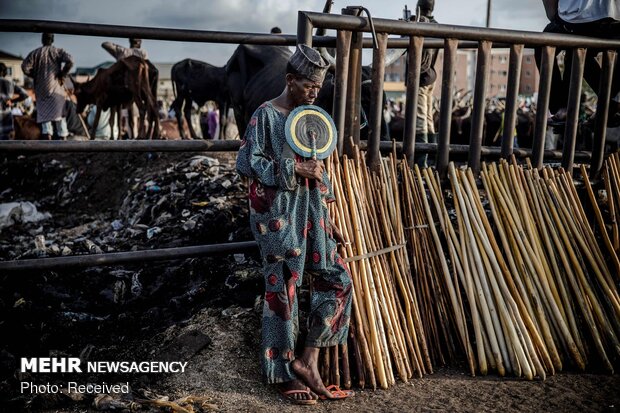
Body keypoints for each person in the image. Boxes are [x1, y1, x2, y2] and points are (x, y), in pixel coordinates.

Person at [236, 45, 353, 405]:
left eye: (318, 87)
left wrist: (330, 217)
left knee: (337, 279)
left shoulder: (311, 118)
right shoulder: (265, 115)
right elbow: (245, 162)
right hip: (278, 214)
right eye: (308, 85)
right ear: (290, 79)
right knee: (283, 286)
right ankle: (284, 374)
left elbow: (319, 169)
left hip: (313, 213)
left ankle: (308, 359)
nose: (314, 92)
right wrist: (291, 169)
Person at [539, 0, 619, 126]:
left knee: (542, 46)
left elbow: (550, 5)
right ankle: (611, 103)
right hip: (612, 18)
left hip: (577, 19)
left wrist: (556, 17)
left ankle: (562, 107)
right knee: (578, 55)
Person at [21, 33, 74, 140]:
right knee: (59, 116)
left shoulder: (35, 53)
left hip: (41, 90)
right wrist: (62, 73)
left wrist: (35, 74)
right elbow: (70, 60)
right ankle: (63, 143)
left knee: (45, 118)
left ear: (42, 40)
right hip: (56, 89)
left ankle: (48, 144)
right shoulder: (57, 51)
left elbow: (24, 67)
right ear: (52, 40)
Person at [410, 0, 439, 167]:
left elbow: (420, 58)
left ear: (418, 7)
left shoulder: (421, 25)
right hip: (431, 76)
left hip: (421, 77)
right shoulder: (435, 25)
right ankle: (432, 157)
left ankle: (422, 162)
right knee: (428, 118)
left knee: (420, 119)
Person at [0, 62, 29, 140]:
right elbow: (25, 94)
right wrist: (12, 101)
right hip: (6, 120)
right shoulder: (10, 83)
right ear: (4, 72)